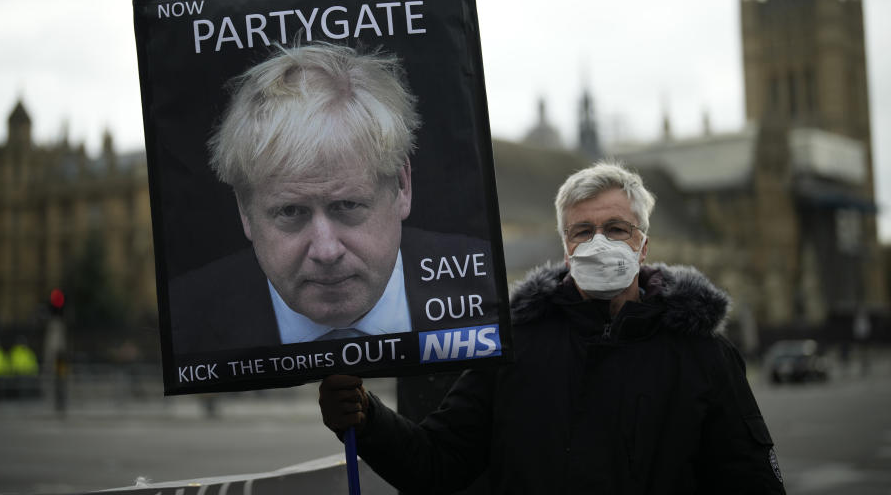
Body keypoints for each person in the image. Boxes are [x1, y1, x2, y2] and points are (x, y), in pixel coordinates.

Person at [319, 161, 787, 493]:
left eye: (617, 229)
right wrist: (367, 417)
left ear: (643, 246)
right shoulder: (514, 347)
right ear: (566, 248)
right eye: (583, 231)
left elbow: (749, 479)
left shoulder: (702, 353)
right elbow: (439, 462)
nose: (599, 242)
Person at [169, 43, 494, 350]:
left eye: (347, 206)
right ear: (244, 210)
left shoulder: (488, 289)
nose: (326, 252)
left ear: (402, 186)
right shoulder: (185, 322)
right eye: (291, 212)